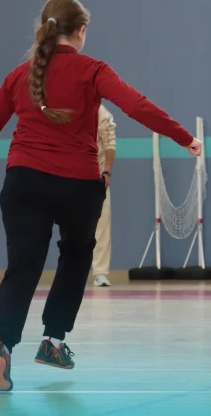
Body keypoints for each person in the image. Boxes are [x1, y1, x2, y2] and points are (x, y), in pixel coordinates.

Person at [0, 0, 203, 392]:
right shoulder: (93, 70)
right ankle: (53, 340)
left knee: (23, 267)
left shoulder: (20, 75)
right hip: (78, 185)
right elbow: (135, 106)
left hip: (23, 181)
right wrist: (184, 137)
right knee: (76, 254)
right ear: (81, 30)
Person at [92, 104, 116, 287]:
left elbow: (109, 143)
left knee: (101, 224)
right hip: (68, 175)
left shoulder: (100, 112)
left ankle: (100, 272)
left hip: (96, 175)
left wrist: (106, 172)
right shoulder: (64, 107)